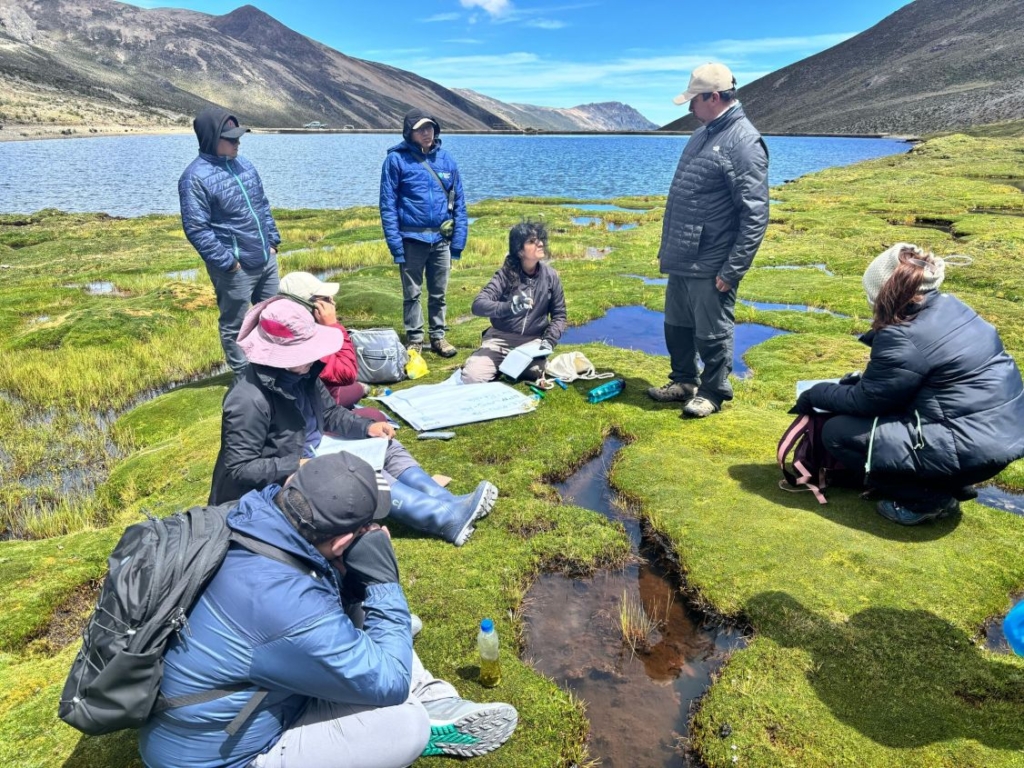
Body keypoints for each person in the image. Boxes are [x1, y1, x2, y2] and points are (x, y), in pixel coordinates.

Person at [140, 452, 518, 768]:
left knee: (375, 622)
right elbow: (388, 681)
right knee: (407, 723)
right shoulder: (287, 606)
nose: (374, 530)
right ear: (341, 541)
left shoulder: (252, 517)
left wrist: (349, 577)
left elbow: (308, 598)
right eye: (367, 527)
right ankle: (428, 708)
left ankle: (433, 693)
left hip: (213, 707)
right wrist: (383, 580)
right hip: (225, 756)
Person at [209, 297, 498, 546]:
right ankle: (443, 519)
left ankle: (447, 500)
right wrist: (296, 466)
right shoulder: (248, 398)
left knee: (387, 446)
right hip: (275, 482)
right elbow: (239, 469)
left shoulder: (303, 374)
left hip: (310, 452)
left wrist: (367, 427)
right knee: (355, 471)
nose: (312, 356)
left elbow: (331, 413)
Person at [795, 243, 1024, 525]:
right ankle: (947, 482)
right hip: (1004, 435)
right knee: (887, 419)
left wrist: (815, 393)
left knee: (838, 432)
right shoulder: (951, 306)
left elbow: (866, 401)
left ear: (883, 294)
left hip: (970, 447)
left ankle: (925, 499)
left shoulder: (902, 335)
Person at [649, 62, 769, 418]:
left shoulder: (744, 142)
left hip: (712, 259)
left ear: (713, 97)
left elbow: (755, 214)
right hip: (684, 255)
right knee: (677, 324)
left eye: (694, 101)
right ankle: (684, 381)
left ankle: (714, 391)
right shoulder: (703, 133)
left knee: (712, 331)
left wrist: (732, 269)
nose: (689, 109)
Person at [179, 107, 282, 375]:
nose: (238, 142)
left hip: (265, 258)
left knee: (273, 317)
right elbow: (196, 228)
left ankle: (274, 370)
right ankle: (246, 379)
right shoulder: (194, 178)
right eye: (231, 138)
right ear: (212, 139)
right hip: (235, 269)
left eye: (238, 137)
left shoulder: (245, 165)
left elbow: (262, 205)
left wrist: (272, 242)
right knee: (235, 325)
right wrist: (228, 263)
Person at [379, 108, 468, 359]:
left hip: (441, 240)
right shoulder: (396, 160)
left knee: (439, 293)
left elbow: (459, 202)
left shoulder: (447, 160)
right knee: (412, 294)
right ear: (410, 132)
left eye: (430, 127)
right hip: (411, 240)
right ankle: (415, 339)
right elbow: (388, 205)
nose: (427, 133)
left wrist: (458, 242)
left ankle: (438, 336)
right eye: (420, 129)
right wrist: (396, 246)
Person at [461, 221, 567, 384]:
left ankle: (505, 366)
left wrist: (549, 340)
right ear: (519, 250)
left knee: (537, 371)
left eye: (540, 239)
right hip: (499, 339)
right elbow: (478, 305)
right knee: (471, 377)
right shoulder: (505, 275)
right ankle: (491, 363)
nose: (540, 243)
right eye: (532, 241)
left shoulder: (551, 276)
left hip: (532, 342)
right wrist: (508, 307)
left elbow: (559, 315)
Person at [278, 271, 385, 422]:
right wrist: (333, 326)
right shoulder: (304, 339)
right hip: (310, 416)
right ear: (310, 306)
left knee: (356, 389)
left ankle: (361, 390)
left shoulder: (282, 324)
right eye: (326, 299)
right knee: (376, 417)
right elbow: (346, 374)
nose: (333, 303)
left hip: (314, 397)